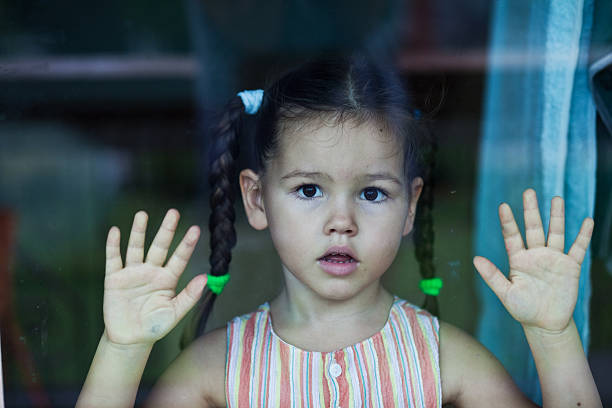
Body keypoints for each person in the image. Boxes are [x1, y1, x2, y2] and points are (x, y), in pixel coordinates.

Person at [76, 54, 602, 407]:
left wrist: (552, 336)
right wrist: (122, 349)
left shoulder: (444, 361)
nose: (341, 222)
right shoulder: (215, 371)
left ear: (410, 206)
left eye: (373, 193)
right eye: (309, 190)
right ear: (257, 200)